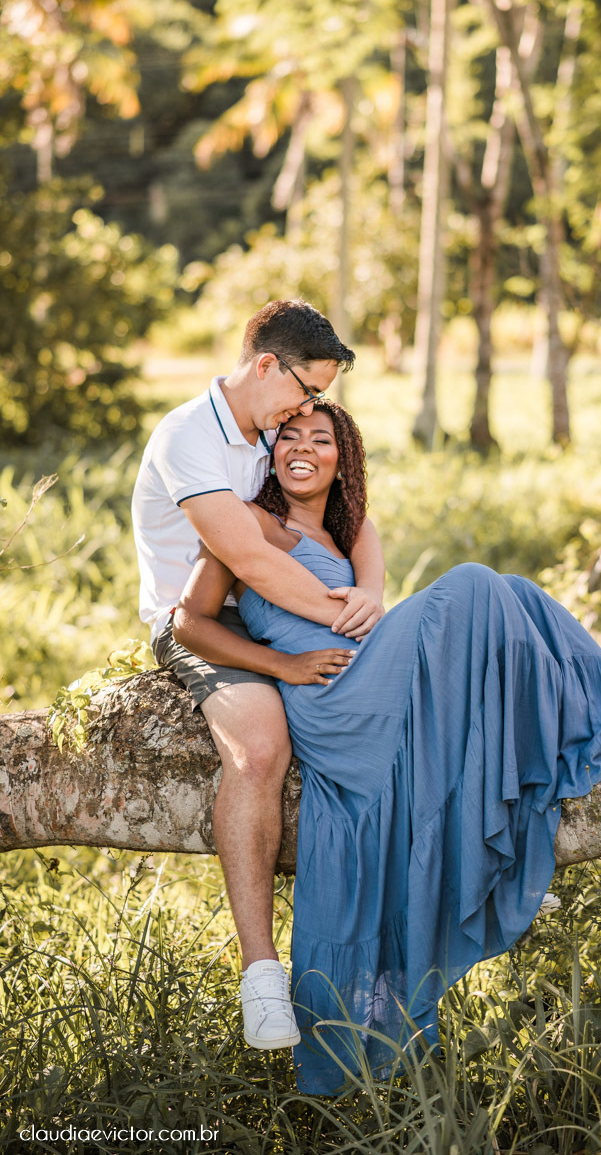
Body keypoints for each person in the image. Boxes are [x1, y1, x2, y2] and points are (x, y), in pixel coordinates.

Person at [173, 400, 601, 1095]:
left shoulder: (354, 531)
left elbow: (372, 609)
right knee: (470, 584)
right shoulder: (249, 521)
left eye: (321, 438)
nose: (302, 449)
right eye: (288, 438)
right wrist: (282, 668)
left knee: (513, 589)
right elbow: (189, 622)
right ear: (269, 453)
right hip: (330, 702)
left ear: (345, 458)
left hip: (377, 679)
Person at [131, 300, 386, 1052]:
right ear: (266, 364)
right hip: (204, 623)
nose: (307, 410)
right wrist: (344, 622)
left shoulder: (272, 432)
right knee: (260, 749)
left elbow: (336, 514)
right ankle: (262, 978)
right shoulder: (188, 436)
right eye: (304, 390)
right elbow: (243, 562)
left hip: (290, 609)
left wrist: (367, 601)